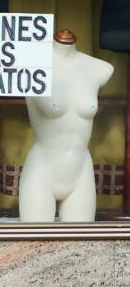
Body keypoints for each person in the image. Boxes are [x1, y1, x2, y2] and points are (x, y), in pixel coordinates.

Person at [19, 30, 113, 222]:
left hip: (80, 170)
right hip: (42, 170)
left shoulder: (98, 68)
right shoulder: (31, 65)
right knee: (33, 246)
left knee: (80, 248)